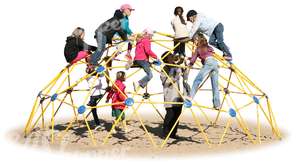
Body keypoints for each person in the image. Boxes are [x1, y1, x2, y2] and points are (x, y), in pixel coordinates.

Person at [160, 52, 190, 139]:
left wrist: (186, 65)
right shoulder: (164, 69)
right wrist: (174, 73)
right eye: (170, 56)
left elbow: (185, 74)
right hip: (169, 95)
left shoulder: (176, 67)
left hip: (178, 95)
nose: (173, 57)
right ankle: (165, 133)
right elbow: (166, 83)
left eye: (172, 56)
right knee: (170, 114)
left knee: (177, 115)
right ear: (166, 59)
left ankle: (173, 133)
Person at [188, 33, 221, 110]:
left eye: (195, 40)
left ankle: (190, 97)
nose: (194, 42)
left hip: (209, 63)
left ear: (197, 40)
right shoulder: (209, 47)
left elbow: (193, 60)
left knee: (197, 80)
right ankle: (217, 105)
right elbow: (209, 55)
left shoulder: (198, 48)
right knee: (215, 86)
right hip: (215, 64)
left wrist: (190, 64)